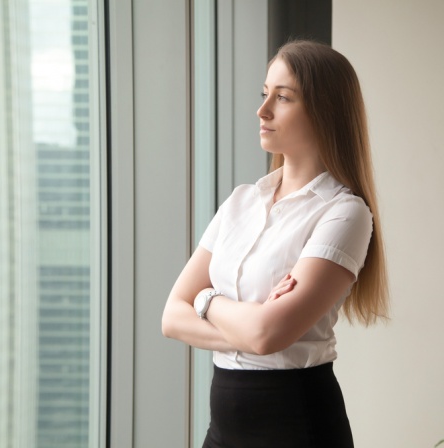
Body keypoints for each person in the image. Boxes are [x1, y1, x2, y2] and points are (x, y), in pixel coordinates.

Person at [162, 39, 389, 448]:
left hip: (297, 427)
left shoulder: (345, 213)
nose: (262, 111)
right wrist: (250, 325)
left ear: (326, 112)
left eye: (282, 98)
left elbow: (267, 336)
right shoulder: (241, 202)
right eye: (265, 94)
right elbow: (171, 318)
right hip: (222, 431)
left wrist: (207, 301)